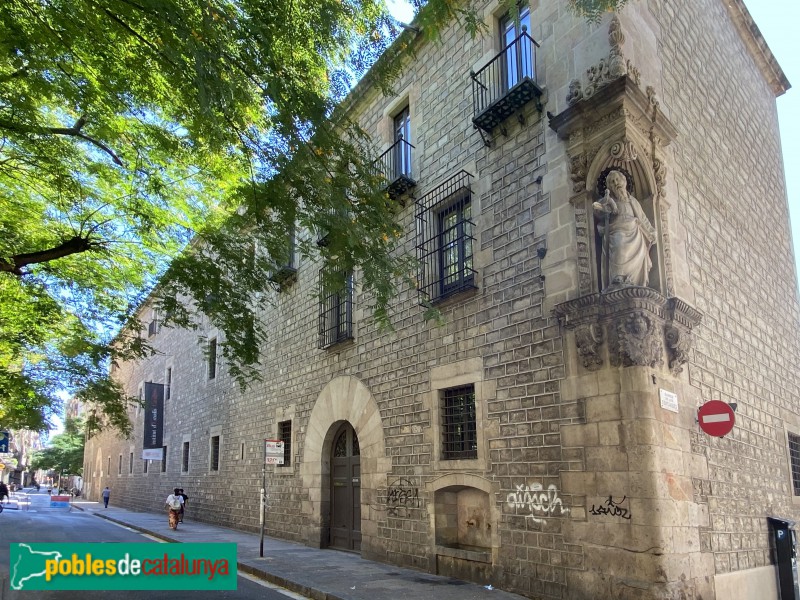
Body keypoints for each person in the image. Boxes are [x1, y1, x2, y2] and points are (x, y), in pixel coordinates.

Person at [593, 169, 656, 290]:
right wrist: (605, 209)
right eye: (612, 182)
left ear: (624, 181)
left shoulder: (634, 201)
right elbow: (598, 210)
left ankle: (634, 280)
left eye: (617, 179)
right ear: (609, 187)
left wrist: (651, 231)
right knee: (619, 244)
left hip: (635, 232)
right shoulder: (609, 200)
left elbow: (643, 219)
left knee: (638, 252)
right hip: (616, 230)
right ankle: (618, 277)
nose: (616, 183)